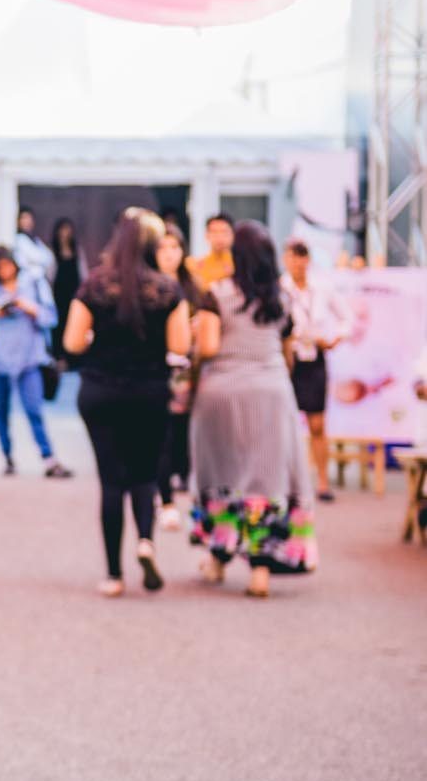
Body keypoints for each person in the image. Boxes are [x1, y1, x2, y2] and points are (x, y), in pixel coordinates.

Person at [63, 209, 192, 595]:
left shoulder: (94, 286)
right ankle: (145, 542)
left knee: (111, 480)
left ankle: (114, 575)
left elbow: (71, 343)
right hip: (149, 391)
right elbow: (180, 346)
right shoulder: (168, 291)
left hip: (100, 391)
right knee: (145, 474)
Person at [190, 222, 317, 597]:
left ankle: (217, 560)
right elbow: (288, 352)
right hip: (272, 392)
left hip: (222, 393)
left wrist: (195, 347)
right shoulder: (282, 299)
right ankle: (260, 572)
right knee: (266, 478)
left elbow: (209, 347)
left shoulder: (216, 294)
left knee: (223, 474)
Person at [0, 247, 72, 478]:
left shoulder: (33, 283)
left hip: (29, 358)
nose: (5, 271)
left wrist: (29, 307)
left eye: (8, 265)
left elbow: (51, 318)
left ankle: (49, 458)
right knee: (0, 410)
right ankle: (7, 456)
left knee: (34, 409)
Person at [153, 223, 217, 529]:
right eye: (163, 247)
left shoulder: (194, 286)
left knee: (188, 437)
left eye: (175, 247)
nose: (169, 254)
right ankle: (163, 498)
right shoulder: (148, 285)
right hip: (156, 372)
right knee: (162, 437)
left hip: (191, 373)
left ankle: (191, 495)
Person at [281, 238, 350, 504]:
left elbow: (346, 317)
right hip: (290, 358)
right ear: (285, 260)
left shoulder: (322, 287)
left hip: (315, 356)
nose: (297, 263)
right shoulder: (280, 288)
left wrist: (334, 338)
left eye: (302, 257)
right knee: (287, 424)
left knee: (317, 423)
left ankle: (322, 480)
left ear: (308, 260)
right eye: (292, 257)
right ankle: (289, 481)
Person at [50, 218, 83, 369]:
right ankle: (59, 357)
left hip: (74, 295)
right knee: (59, 326)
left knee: (74, 324)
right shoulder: (53, 252)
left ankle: (74, 359)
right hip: (58, 297)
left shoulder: (77, 251)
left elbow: (83, 274)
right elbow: (50, 276)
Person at [188, 212, 235, 292]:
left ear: (233, 235)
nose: (219, 237)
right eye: (214, 232)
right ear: (207, 235)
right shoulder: (195, 265)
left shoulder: (239, 265)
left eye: (224, 232)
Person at [13, 207, 55, 281]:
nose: (27, 221)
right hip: (26, 280)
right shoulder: (19, 239)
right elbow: (37, 257)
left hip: (38, 280)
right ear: (18, 221)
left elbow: (49, 258)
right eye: (24, 218)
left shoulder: (36, 240)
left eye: (29, 218)